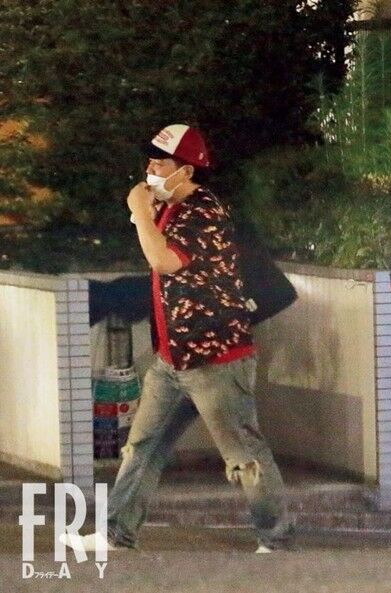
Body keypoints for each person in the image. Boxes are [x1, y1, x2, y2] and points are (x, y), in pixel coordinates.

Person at [62, 124, 292, 554]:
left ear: (185, 171)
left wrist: (140, 213)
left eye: (160, 163)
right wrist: (148, 214)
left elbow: (164, 261)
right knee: (142, 446)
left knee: (244, 455)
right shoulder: (171, 207)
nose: (150, 169)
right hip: (173, 360)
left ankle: (275, 539)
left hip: (216, 360)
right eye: (149, 161)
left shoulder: (203, 212)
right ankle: (116, 533)